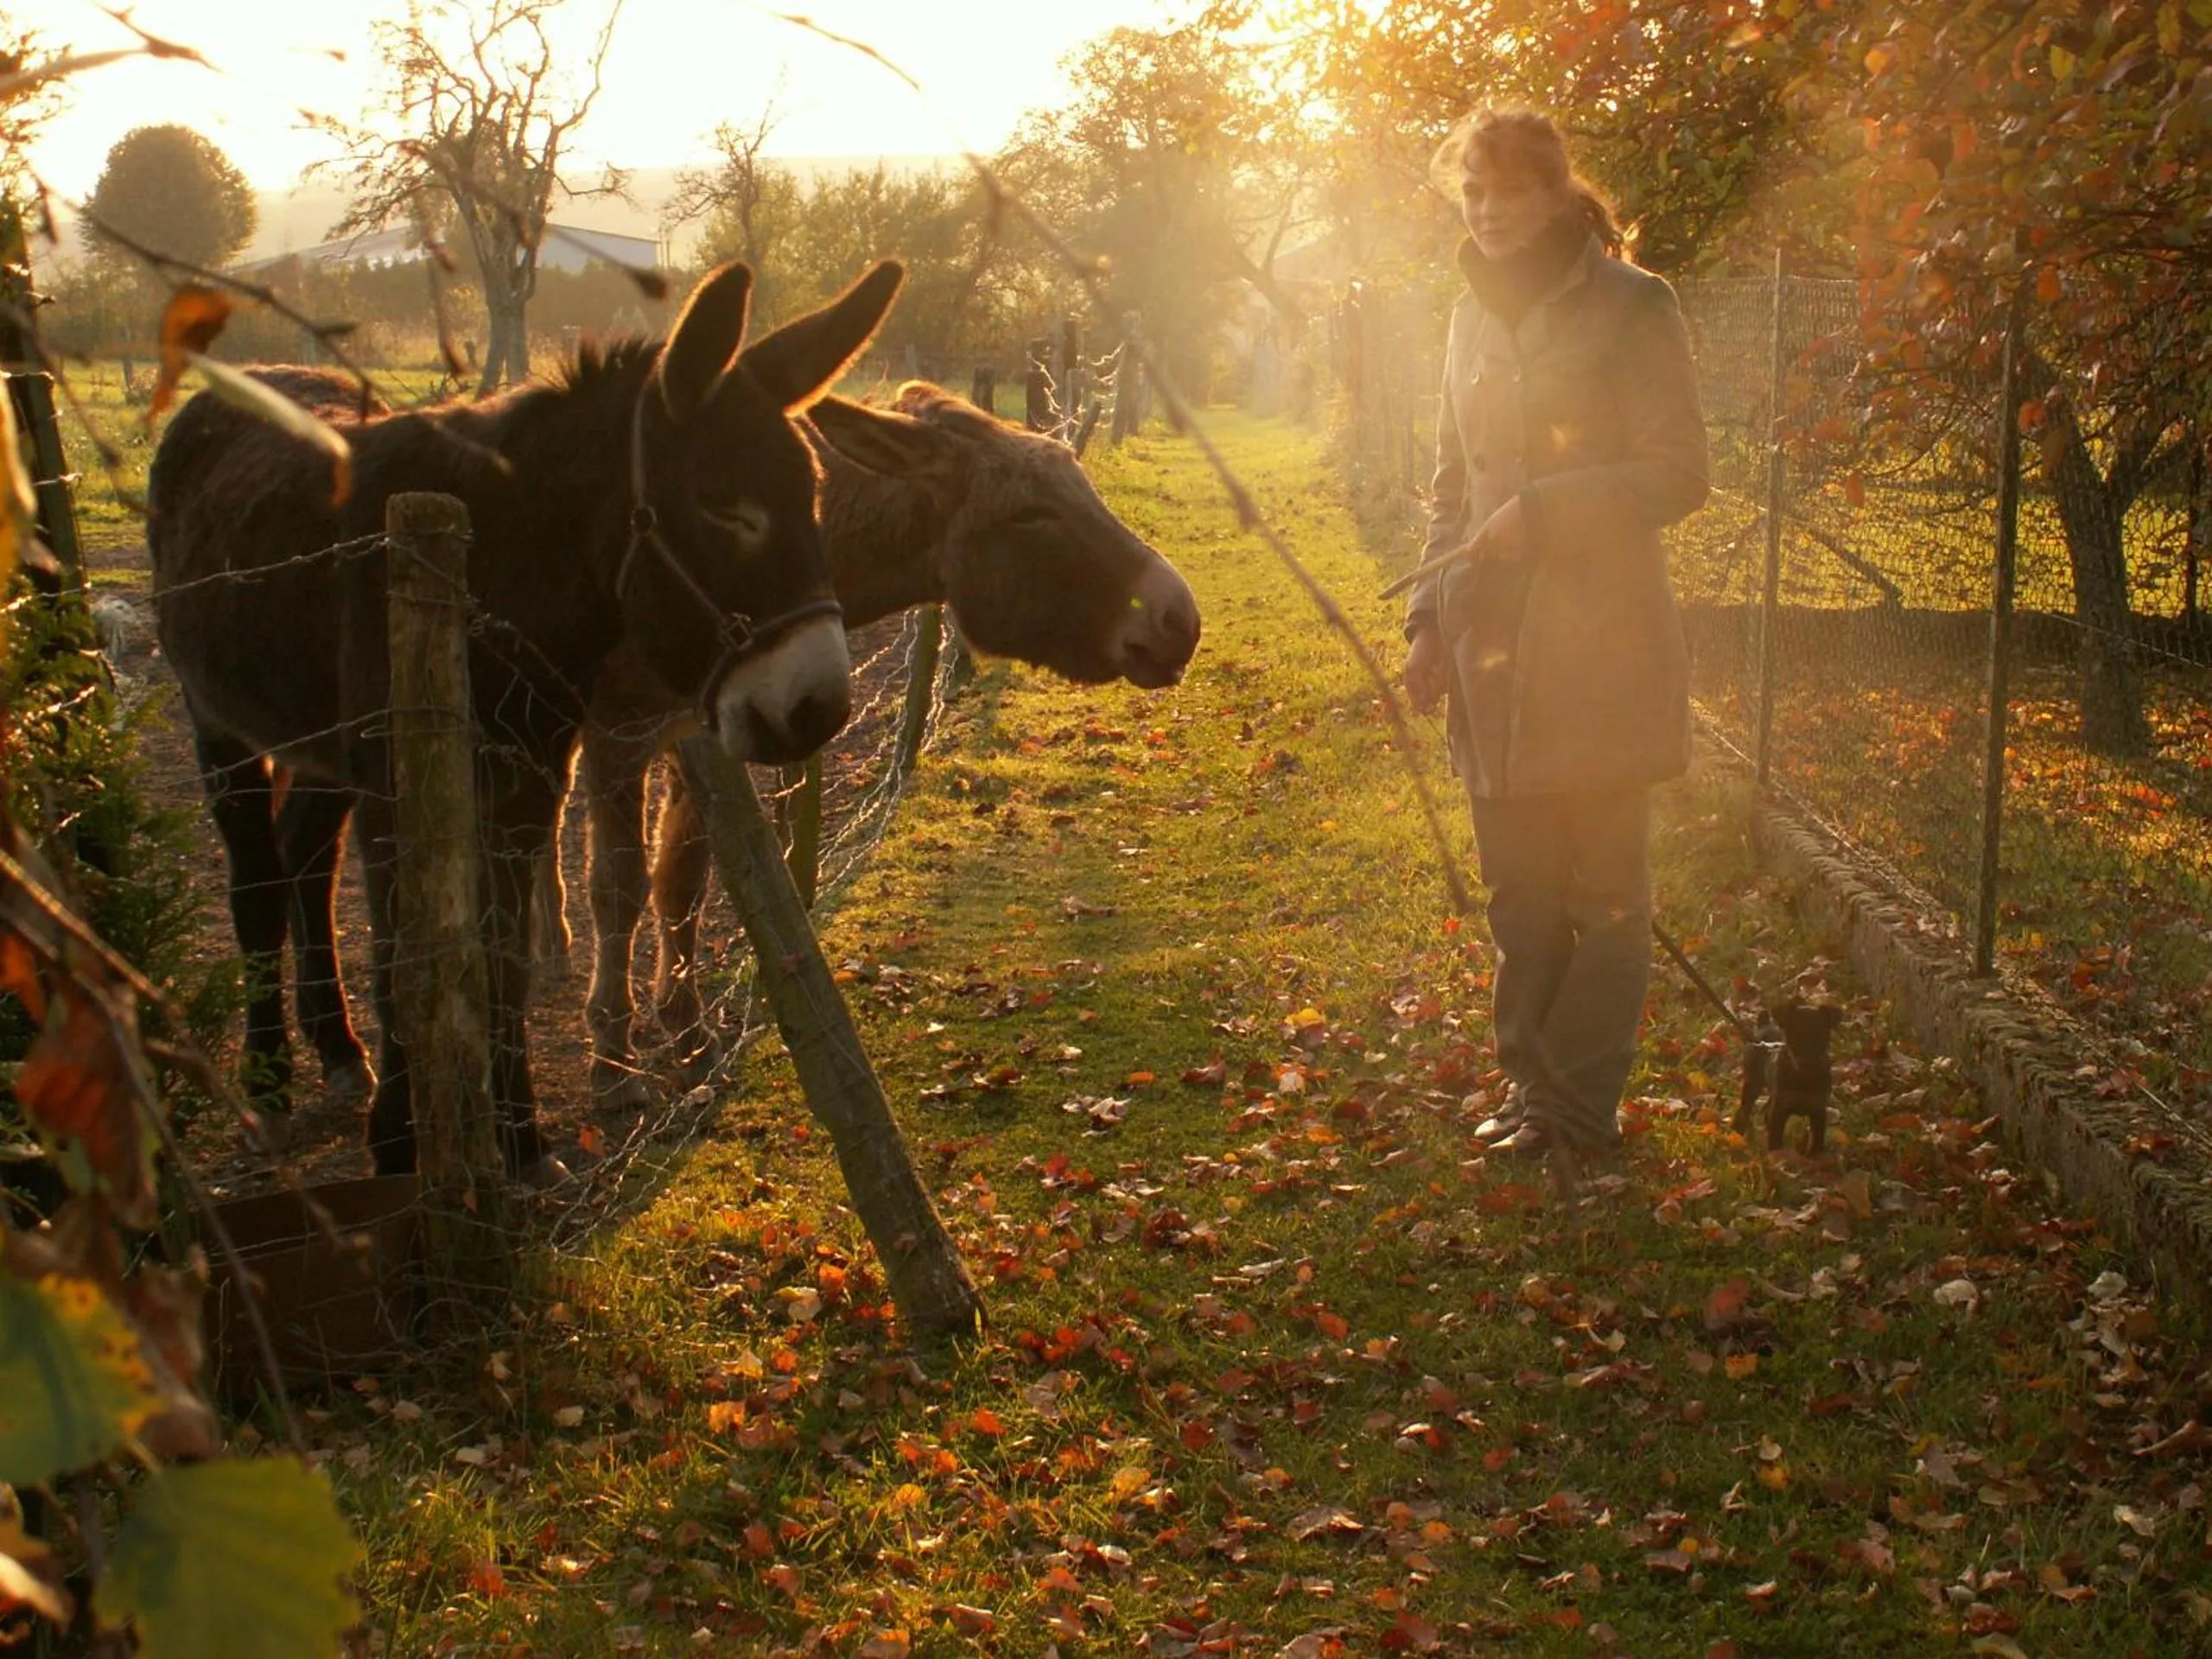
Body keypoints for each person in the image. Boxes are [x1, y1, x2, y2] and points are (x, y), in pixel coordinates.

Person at [1402, 109, 1709, 1173]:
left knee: (1607, 899)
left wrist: (1545, 508)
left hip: (1602, 648)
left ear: (1552, 192)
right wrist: (1426, 623)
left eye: (1505, 191)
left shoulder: (1634, 305)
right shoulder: (1465, 319)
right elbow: (1450, 489)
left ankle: (1581, 1109)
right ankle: (1534, 1094)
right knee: (1520, 898)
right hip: (1489, 651)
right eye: (1469, 192)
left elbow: (1680, 471)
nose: (1484, 211)